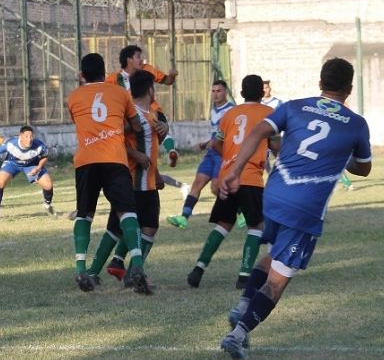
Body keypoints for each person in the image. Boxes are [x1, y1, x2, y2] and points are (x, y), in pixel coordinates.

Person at [220, 58, 372, 358]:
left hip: (274, 196)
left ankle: (241, 306)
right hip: (306, 208)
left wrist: (234, 172)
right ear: (349, 88)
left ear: (320, 83)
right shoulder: (356, 124)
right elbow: (364, 168)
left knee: (272, 254)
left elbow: (256, 134)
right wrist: (342, 156)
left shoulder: (294, 106)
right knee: (278, 282)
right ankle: (237, 336)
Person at [66, 53, 151, 294]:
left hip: (86, 161)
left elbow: (81, 122)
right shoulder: (121, 93)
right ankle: (136, 265)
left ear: (82, 75)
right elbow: (135, 125)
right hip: (115, 159)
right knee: (127, 211)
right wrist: (115, 128)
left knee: (85, 214)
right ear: (105, 72)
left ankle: (81, 268)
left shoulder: (72, 97)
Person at [185, 75, 275, 290]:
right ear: (262, 93)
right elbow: (276, 144)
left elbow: (215, 144)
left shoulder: (230, 114)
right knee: (256, 226)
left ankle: (198, 269)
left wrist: (230, 159)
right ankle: (244, 276)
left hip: (228, 176)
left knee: (223, 224)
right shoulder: (269, 114)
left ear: (241, 94)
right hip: (250, 178)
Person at [86, 70, 164, 289]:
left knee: (143, 227)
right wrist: (135, 155)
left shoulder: (149, 114)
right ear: (150, 88)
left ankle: (128, 273)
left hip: (147, 183)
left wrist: (155, 173)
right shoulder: (134, 115)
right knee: (123, 228)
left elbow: (151, 147)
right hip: (132, 181)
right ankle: (98, 272)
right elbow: (114, 139)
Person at [166, 80, 235, 229]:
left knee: (216, 188)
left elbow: (230, 134)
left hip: (223, 153)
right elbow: (215, 133)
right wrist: (205, 144)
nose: (215, 94)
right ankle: (184, 218)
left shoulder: (232, 110)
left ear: (226, 93)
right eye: (213, 91)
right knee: (197, 184)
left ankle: (241, 212)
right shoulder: (213, 110)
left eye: (219, 91)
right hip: (212, 153)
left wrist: (216, 141)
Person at [107, 45, 180, 167]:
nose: (142, 60)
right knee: (127, 137)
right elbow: (103, 92)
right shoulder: (114, 78)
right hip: (129, 114)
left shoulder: (148, 69)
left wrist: (172, 75)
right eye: (138, 57)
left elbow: (167, 81)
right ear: (128, 59)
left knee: (162, 128)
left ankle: (170, 151)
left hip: (151, 110)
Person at [0, 125, 55, 222]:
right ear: (20, 136)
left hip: (31, 164)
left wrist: (38, 167)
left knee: (48, 185)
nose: (29, 139)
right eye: (26, 136)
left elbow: (45, 156)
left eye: (31, 136)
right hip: (12, 164)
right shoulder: (10, 144)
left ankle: (47, 205)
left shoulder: (39, 145)